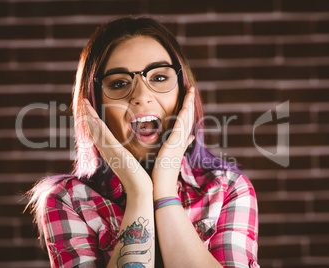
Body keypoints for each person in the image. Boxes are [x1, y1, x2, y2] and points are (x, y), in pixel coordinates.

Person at [26, 17, 260, 268]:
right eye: (119, 83)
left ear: (183, 93)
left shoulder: (227, 189)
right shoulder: (68, 200)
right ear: (95, 108)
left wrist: (166, 190)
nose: (142, 95)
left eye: (159, 78)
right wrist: (139, 193)